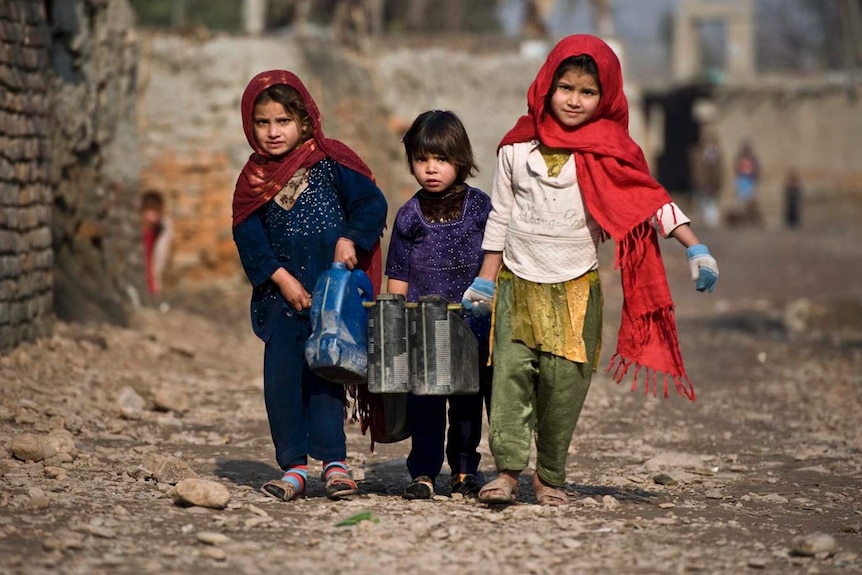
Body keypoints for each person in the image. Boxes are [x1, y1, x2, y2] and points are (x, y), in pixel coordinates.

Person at [460, 34, 719, 506]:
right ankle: (508, 474)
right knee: (509, 380)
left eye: (588, 92)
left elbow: (650, 203)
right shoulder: (516, 147)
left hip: (575, 286)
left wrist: (694, 246)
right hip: (518, 283)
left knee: (564, 388)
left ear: (606, 98)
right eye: (566, 87)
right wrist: (485, 276)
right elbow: (500, 215)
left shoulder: (609, 152)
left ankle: (550, 478)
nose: (575, 100)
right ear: (546, 86)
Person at [232, 70, 387, 502]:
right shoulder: (252, 181)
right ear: (250, 125)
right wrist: (280, 279)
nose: (273, 132)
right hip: (280, 302)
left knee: (327, 377)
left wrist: (349, 238)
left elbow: (371, 203)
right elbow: (248, 238)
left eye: (283, 121)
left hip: (331, 297)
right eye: (262, 123)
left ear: (304, 120)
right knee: (282, 381)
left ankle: (334, 464)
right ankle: (295, 468)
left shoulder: (332, 162)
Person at [385, 110, 493, 500]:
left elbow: (497, 256)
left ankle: (464, 470)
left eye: (442, 160)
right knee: (425, 403)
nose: (431, 169)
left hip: (472, 323)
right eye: (422, 160)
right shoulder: (409, 214)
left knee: (468, 401)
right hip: (422, 326)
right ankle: (425, 472)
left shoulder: (481, 207)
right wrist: (393, 322)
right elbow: (398, 270)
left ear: (461, 160)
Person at [140, 190, 173, 297]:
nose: (154, 216)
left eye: (157, 211)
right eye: (151, 211)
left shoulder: (158, 232)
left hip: (153, 287)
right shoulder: (138, 233)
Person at [689, 127, 723, 228]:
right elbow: (696, 169)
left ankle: (711, 220)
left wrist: (715, 182)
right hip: (701, 182)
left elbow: (716, 171)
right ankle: (703, 218)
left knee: (711, 201)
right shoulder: (698, 154)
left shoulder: (715, 154)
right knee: (702, 201)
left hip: (711, 182)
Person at [732, 139, 762, 226]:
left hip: (750, 180)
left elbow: (757, 168)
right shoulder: (739, 157)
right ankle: (742, 220)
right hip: (742, 180)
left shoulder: (753, 158)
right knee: (741, 203)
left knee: (751, 201)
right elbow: (736, 167)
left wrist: (754, 174)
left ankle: (751, 219)